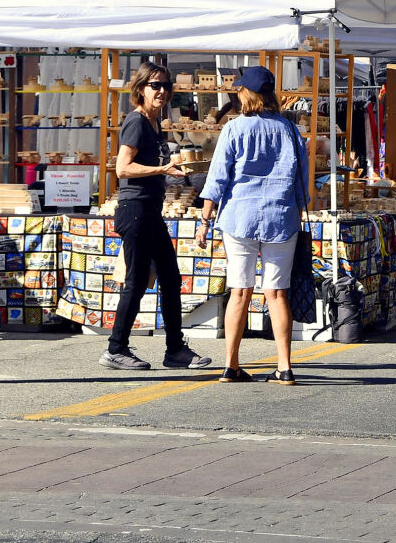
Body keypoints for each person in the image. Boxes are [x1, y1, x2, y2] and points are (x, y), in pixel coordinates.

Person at [197, 66, 309, 382]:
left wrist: (205, 219)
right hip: (280, 216)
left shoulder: (234, 130)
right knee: (277, 294)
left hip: (239, 216)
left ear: (247, 93)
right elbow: (301, 180)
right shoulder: (290, 131)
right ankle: (285, 367)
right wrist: (300, 209)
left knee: (239, 291)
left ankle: (230, 365)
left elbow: (218, 178)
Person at [105, 61, 213, 372]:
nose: (162, 91)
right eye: (155, 85)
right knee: (136, 282)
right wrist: (161, 169)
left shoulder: (156, 124)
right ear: (140, 89)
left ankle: (175, 349)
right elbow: (122, 168)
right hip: (135, 209)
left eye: (166, 85)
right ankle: (116, 348)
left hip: (150, 209)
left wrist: (173, 172)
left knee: (170, 277)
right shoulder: (137, 122)